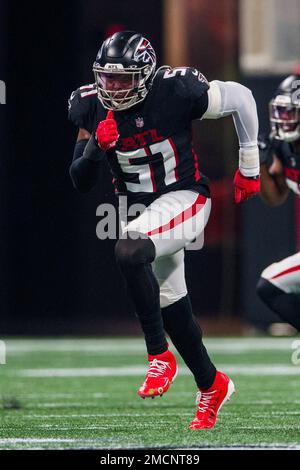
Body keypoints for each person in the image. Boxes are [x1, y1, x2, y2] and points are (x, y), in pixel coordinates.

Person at [68, 31, 260, 429]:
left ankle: (159, 357)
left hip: (186, 197)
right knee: (173, 308)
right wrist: (94, 149)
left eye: (122, 79)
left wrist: (249, 165)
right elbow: (79, 180)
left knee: (128, 251)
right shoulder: (88, 105)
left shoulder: (176, 90)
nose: (112, 87)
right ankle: (212, 384)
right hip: (140, 212)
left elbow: (241, 97)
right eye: (106, 77)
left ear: (146, 72)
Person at [257, 75, 300, 330]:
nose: (284, 118)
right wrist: (260, 163)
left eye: (290, 111)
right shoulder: (284, 148)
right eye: (281, 111)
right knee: (270, 285)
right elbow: (275, 196)